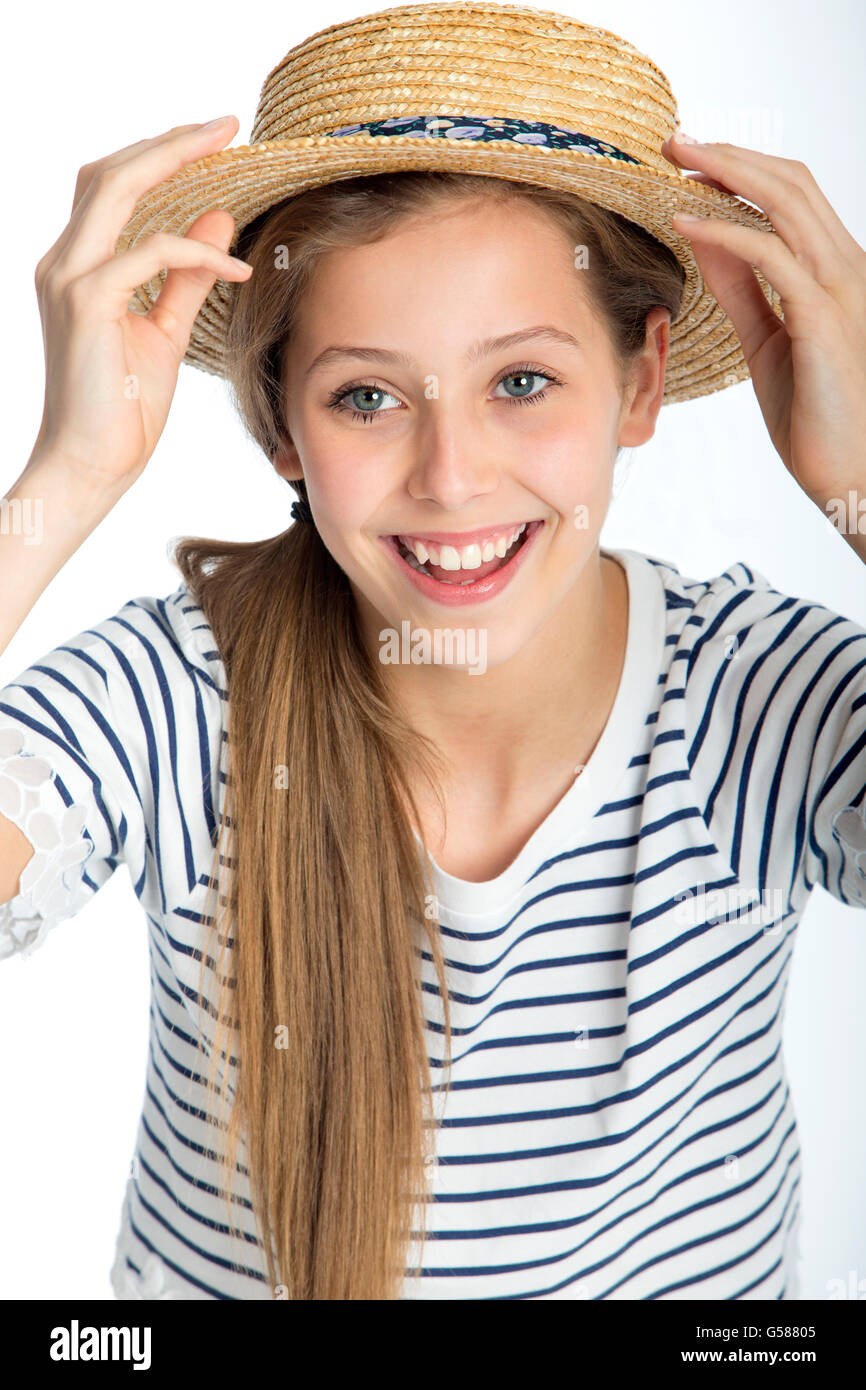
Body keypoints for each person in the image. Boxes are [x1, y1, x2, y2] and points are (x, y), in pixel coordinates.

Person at [1, 1, 864, 1301]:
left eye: (521, 380)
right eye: (366, 394)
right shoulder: (172, 700)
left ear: (634, 383)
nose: (452, 479)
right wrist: (59, 484)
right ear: (281, 428)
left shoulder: (767, 700)